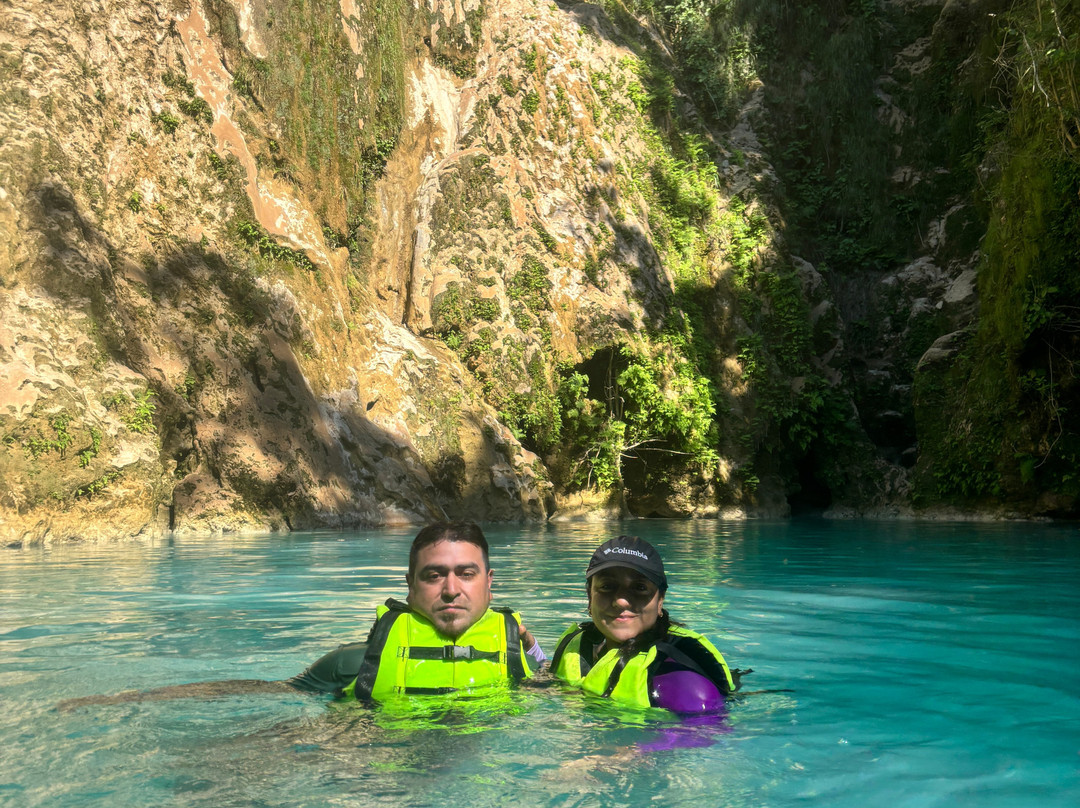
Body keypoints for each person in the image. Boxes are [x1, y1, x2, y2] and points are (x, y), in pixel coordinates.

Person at [58, 521, 545, 710]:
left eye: (465, 574)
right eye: (434, 575)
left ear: (489, 581)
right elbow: (264, 690)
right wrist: (130, 698)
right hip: (366, 761)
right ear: (410, 584)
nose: (451, 589)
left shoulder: (521, 659)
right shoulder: (357, 662)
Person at [550, 535, 746, 713]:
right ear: (589, 596)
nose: (621, 601)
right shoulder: (581, 647)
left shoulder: (678, 678)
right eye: (607, 586)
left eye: (639, 588)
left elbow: (706, 730)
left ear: (660, 600)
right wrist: (534, 651)